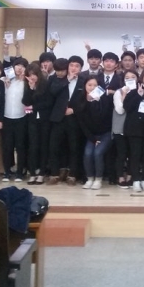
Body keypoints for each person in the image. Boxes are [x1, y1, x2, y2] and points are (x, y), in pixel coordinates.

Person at [47, 56, 86, 186]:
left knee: (74, 147)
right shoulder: (57, 79)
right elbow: (52, 92)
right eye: (72, 65)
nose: (74, 68)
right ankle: (54, 174)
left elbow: (85, 100)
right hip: (58, 118)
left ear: (81, 68)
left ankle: (72, 175)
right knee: (54, 146)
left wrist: (74, 110)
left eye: (77, 66)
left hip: (74, 119)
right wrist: (67, 80)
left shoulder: (83, 81)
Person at [78, 75, 115, 190]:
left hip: (105, 133)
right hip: (91, 135)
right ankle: (90, 178)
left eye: (95, 85)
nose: (92, 87)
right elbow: (82, 123)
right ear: (85, 86)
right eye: (89, 85)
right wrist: (93, 139)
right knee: (88, 153)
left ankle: (98, 179)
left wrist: (96, 102)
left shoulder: (105, 99)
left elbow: (102, 118)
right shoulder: (81, 99)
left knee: (98, 153)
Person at [23, 62, 53, 185]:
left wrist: (33, 107)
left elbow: (48, 102)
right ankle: (32, 173)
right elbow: (25, 102)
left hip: (45, 120)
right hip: (32, 120)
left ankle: (41, 173)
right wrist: (30, 89)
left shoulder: (45, 84)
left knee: (43, 146)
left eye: (34, 74)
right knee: (33, 146)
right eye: (30, 75)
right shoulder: (27, 85)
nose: (32, 77)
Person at [2, 57, 29, 182]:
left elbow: (29, 100)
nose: (19, 68)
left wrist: (26, 82)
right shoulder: (5, 80)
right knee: (7, 146)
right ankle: (7, 172)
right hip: (6, 117)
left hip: (21, 118)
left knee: (20, 146)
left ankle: (20, 172)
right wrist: (5, 83)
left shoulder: (27, 83)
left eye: (23, 66)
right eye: (17, 65)